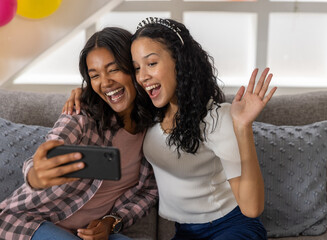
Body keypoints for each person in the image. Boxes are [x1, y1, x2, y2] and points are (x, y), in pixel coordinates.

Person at [64, 17, 277, 240]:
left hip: (230, 227)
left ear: (180, 61)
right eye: (136, 68)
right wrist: (84, 94)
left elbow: (252, 208)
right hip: (184, 232)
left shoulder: (216, 118)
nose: (143, 76)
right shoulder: (147, 112)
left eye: (152, 63)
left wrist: (243, 127)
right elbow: (112, 89)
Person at [0, 27, 158, 240]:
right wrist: (36, 174)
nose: (105, 83)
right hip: (31, 221)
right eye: (95, 76)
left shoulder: (155, 131)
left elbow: (148, 192)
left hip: (85, 233)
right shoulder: (82, 114)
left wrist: (111, 222)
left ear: (134, 67)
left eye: (113, 69)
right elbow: (54, 143)